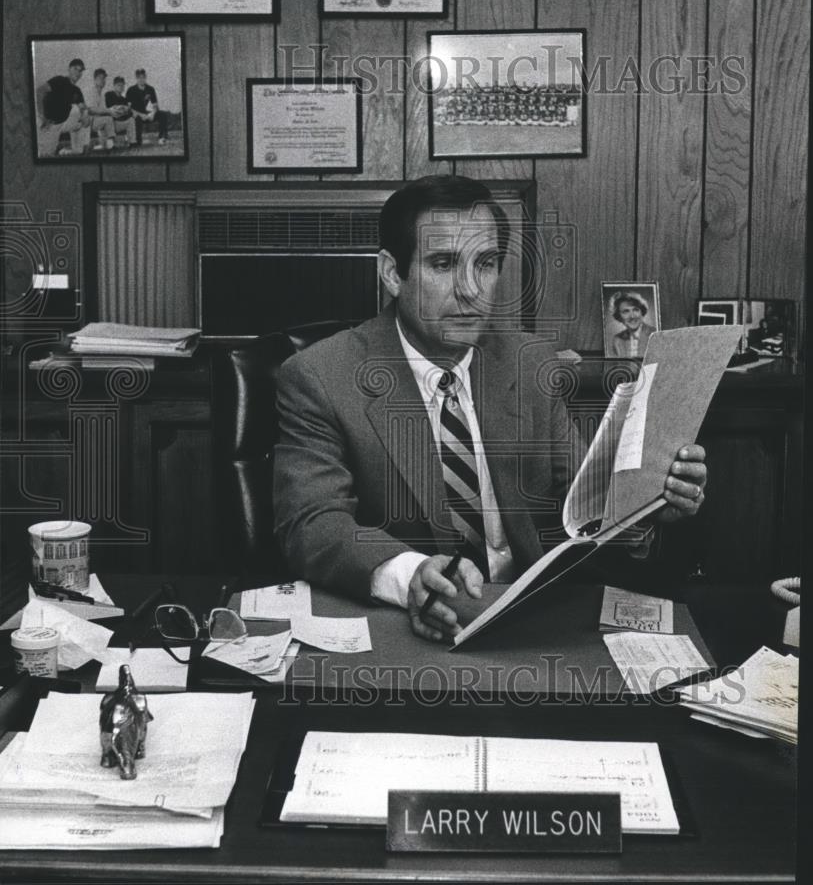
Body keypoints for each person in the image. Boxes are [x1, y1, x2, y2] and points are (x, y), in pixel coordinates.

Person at [273, 176, 707, 642]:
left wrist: (648, 504)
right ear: (392, 273)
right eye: (443, 264)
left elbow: (582, 511)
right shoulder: (320, 376)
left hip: (532, 622)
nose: (470, 290)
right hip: (409, 631)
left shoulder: (532, 365)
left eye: (486, 263)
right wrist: (410, 574)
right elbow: (313, 523)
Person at [36, 57, 91, 156]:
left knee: (84, 117)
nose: (78, 73)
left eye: (80, 70)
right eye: (75, 69)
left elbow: (83, 107)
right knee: (46, 155)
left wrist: (85, 115)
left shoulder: (76, 90)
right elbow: (40, 91)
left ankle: (78, 149)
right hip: (48, 123)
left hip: (64, 123)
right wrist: (41, 115)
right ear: (69, 69)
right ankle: (53, 149)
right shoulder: (59, 80)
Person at [126, 68, 169, 146]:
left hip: (145, 113)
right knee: (138, 143)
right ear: (136, 78)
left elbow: (155, 105)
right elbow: (128, 108)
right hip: (135, 115)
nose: (141, 79)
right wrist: (140, 115)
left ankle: (162, 138)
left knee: (162, 114)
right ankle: (136, 139)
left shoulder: (150, 89)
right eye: (139, 77)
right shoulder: (131, 90)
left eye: (143, 77)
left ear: (145, 77)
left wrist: (152, 114)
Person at [609, 292, 655, 358]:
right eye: (626, 311)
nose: (632, 316)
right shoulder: (617, 340)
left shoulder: (654, 334)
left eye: (636, 310)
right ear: (619, 316)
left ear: (642, 312)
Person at [83, 68, 117, 151]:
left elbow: (103, 111)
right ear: (95, 79)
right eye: (100, 78)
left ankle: (107, 145)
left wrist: (114, 110)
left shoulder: (102, 95)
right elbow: (91, 110)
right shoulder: (89, 91)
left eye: (104, 78)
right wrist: (109, 111)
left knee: (108, 118)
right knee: (108, 119)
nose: (103, 80)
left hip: (94, 121)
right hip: (84, 122)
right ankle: (110, 145)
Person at [104, 74, 138, 147]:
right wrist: (123, 109)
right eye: (119, 85)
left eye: (122, 85)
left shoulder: (124, 99)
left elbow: (129, 112)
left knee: (131, 120)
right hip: (109, 124)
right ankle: (111, 144)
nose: (121, 87)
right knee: (109, 118)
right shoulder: (109, 95)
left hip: (118, 123)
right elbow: (112, 109)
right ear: (114, 86)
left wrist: (126, 110)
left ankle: (132, 142)